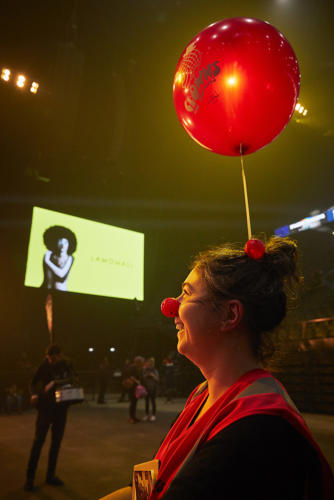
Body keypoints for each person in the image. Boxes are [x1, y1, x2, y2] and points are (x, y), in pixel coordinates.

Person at [101, 237, 334, 500]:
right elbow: (150, 484)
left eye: (187, 293)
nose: (171, 307)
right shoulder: (202, 394)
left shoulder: (257, 429)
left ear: (229, 316)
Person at [24, 344, 74, 491]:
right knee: (38, 442)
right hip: (45, 408)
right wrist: (33, 394)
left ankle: (50, 475)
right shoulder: (44, 366)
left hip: (61, 409)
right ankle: (30, 479)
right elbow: (32, 383)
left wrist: (54, 383)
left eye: (53, 358)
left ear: (60, 356)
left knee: (56, 443)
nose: (50, 361)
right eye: (48, 358)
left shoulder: (66, 364)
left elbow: (72, 378)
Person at [42, 225, 77, 291]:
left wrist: (47, 261)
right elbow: (47, 278)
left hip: (61, 293)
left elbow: (61, 274)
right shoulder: (50, 255)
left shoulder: (70, 258)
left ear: (69, 244)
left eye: (65, 243)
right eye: (60, 242)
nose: (63, 246)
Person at [123, 356, 144, 424]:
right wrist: (137, 381)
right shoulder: (132, 367)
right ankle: (131, 417)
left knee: (134, 402)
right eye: (141, 362)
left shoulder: (137, 368)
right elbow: (130, 376)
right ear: (138, 362)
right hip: (132, 387)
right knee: (133, 402)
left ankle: (133, 416)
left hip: (135, 387)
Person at [142, 358, 159, 422]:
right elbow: (143, 377)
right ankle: (146, 414)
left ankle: (153, 415)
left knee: (153, 401)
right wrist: (147, 375)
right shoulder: (145, 370)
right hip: (146, 387)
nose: (149, 364)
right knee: (146, 402)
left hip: (153, 388)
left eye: (151, 363)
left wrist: (152, 375)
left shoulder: (155, 370)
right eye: (148, 363)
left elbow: (157, 379)